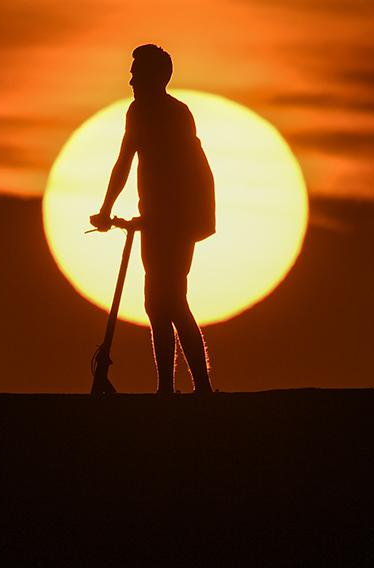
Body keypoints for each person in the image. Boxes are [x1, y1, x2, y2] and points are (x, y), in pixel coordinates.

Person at [91, 44, 216, 395]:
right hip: (154, 218)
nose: (130, 79)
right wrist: (105, 208)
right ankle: (166, 388)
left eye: (136, 72)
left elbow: (181, 171)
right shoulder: (137, 111)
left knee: (171, 299)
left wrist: (167, 217)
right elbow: (125, 160)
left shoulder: (176, 114)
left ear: (156, 76)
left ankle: (201, 389)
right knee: (156, 302)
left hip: (177, 221)